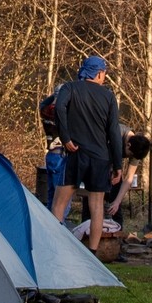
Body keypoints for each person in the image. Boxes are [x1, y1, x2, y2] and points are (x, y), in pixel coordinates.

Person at [51, 55, 123, 250]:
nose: (105, 77)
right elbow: (114, 132)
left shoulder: (70, 88)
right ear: (99, 73)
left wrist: (65, 138)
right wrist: (118, 165)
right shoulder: (108, 96)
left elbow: (58, 108)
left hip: (75, 153)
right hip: (101, 157)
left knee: (59, 202)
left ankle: (55, 249)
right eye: (104, 73)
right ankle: (93, 252)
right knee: (97, 206)